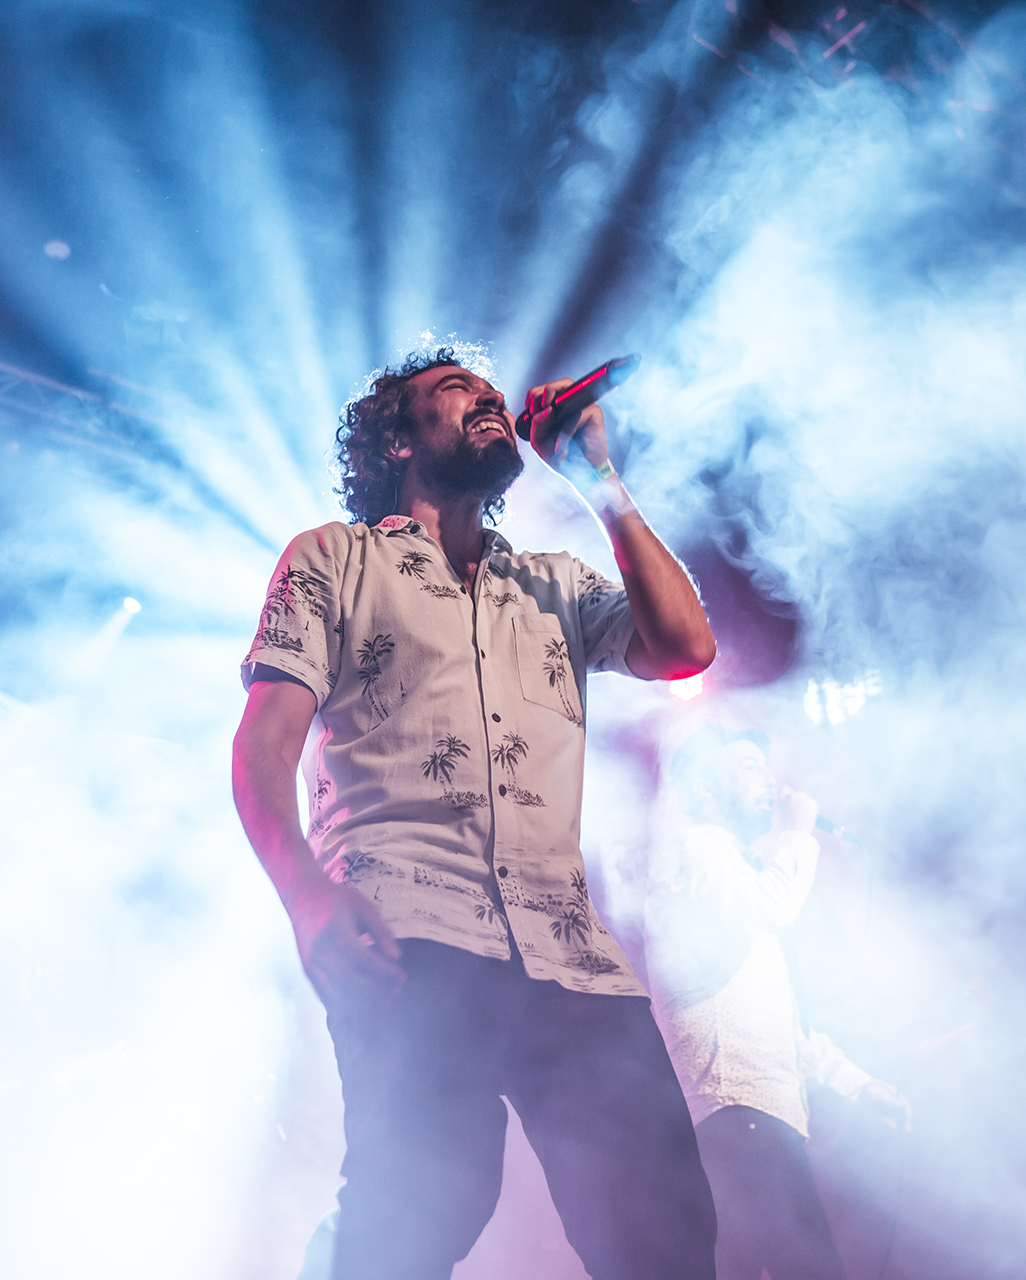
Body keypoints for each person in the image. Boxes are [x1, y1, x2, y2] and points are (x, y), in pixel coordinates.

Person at [233, 344, 720, 1280]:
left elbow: (685, 647)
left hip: (570, 952)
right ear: (398, 441)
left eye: (492, 390)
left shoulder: (554, 584)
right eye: (457, 389)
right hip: (407, 929)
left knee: (662, 1230)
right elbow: (263, 747)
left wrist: (599, 479)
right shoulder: (332, 559)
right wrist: (305, 895)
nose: (489, 397)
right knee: (424, 1204)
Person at [642, 726, 912, 1280]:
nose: (768, 779)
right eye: (747, 766)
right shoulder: (698, 849)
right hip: (737, 1112)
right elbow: (774, 907)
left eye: (765, 766)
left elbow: (780, 1026)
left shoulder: (734, 871)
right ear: (705, 791)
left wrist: (856, 1083)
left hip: (753, 1116)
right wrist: (798, 834)